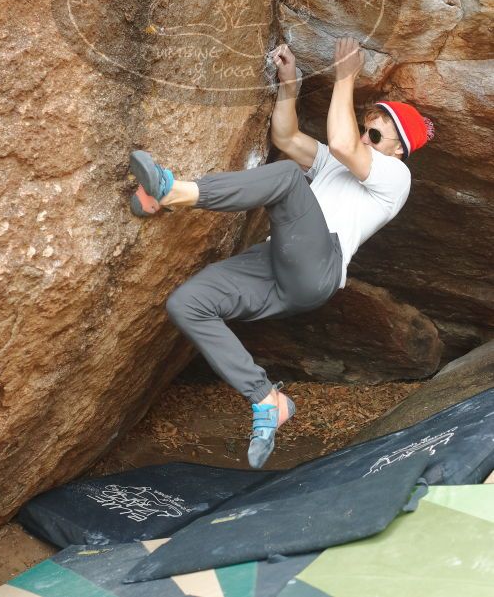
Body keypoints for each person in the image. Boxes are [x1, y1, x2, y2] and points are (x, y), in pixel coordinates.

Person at [128, 37, 435, 468]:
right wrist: (288, 86)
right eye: (365, 125)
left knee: (289, 179)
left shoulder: (396, 178)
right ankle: (267, 399)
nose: (365, 135)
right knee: (188, 304)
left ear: (398, 149)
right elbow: (287, 137)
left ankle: (175, 192)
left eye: (376, 132)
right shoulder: (336, 164)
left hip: (317, 266)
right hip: (277, 264)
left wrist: (346, 77)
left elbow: (344, 145)